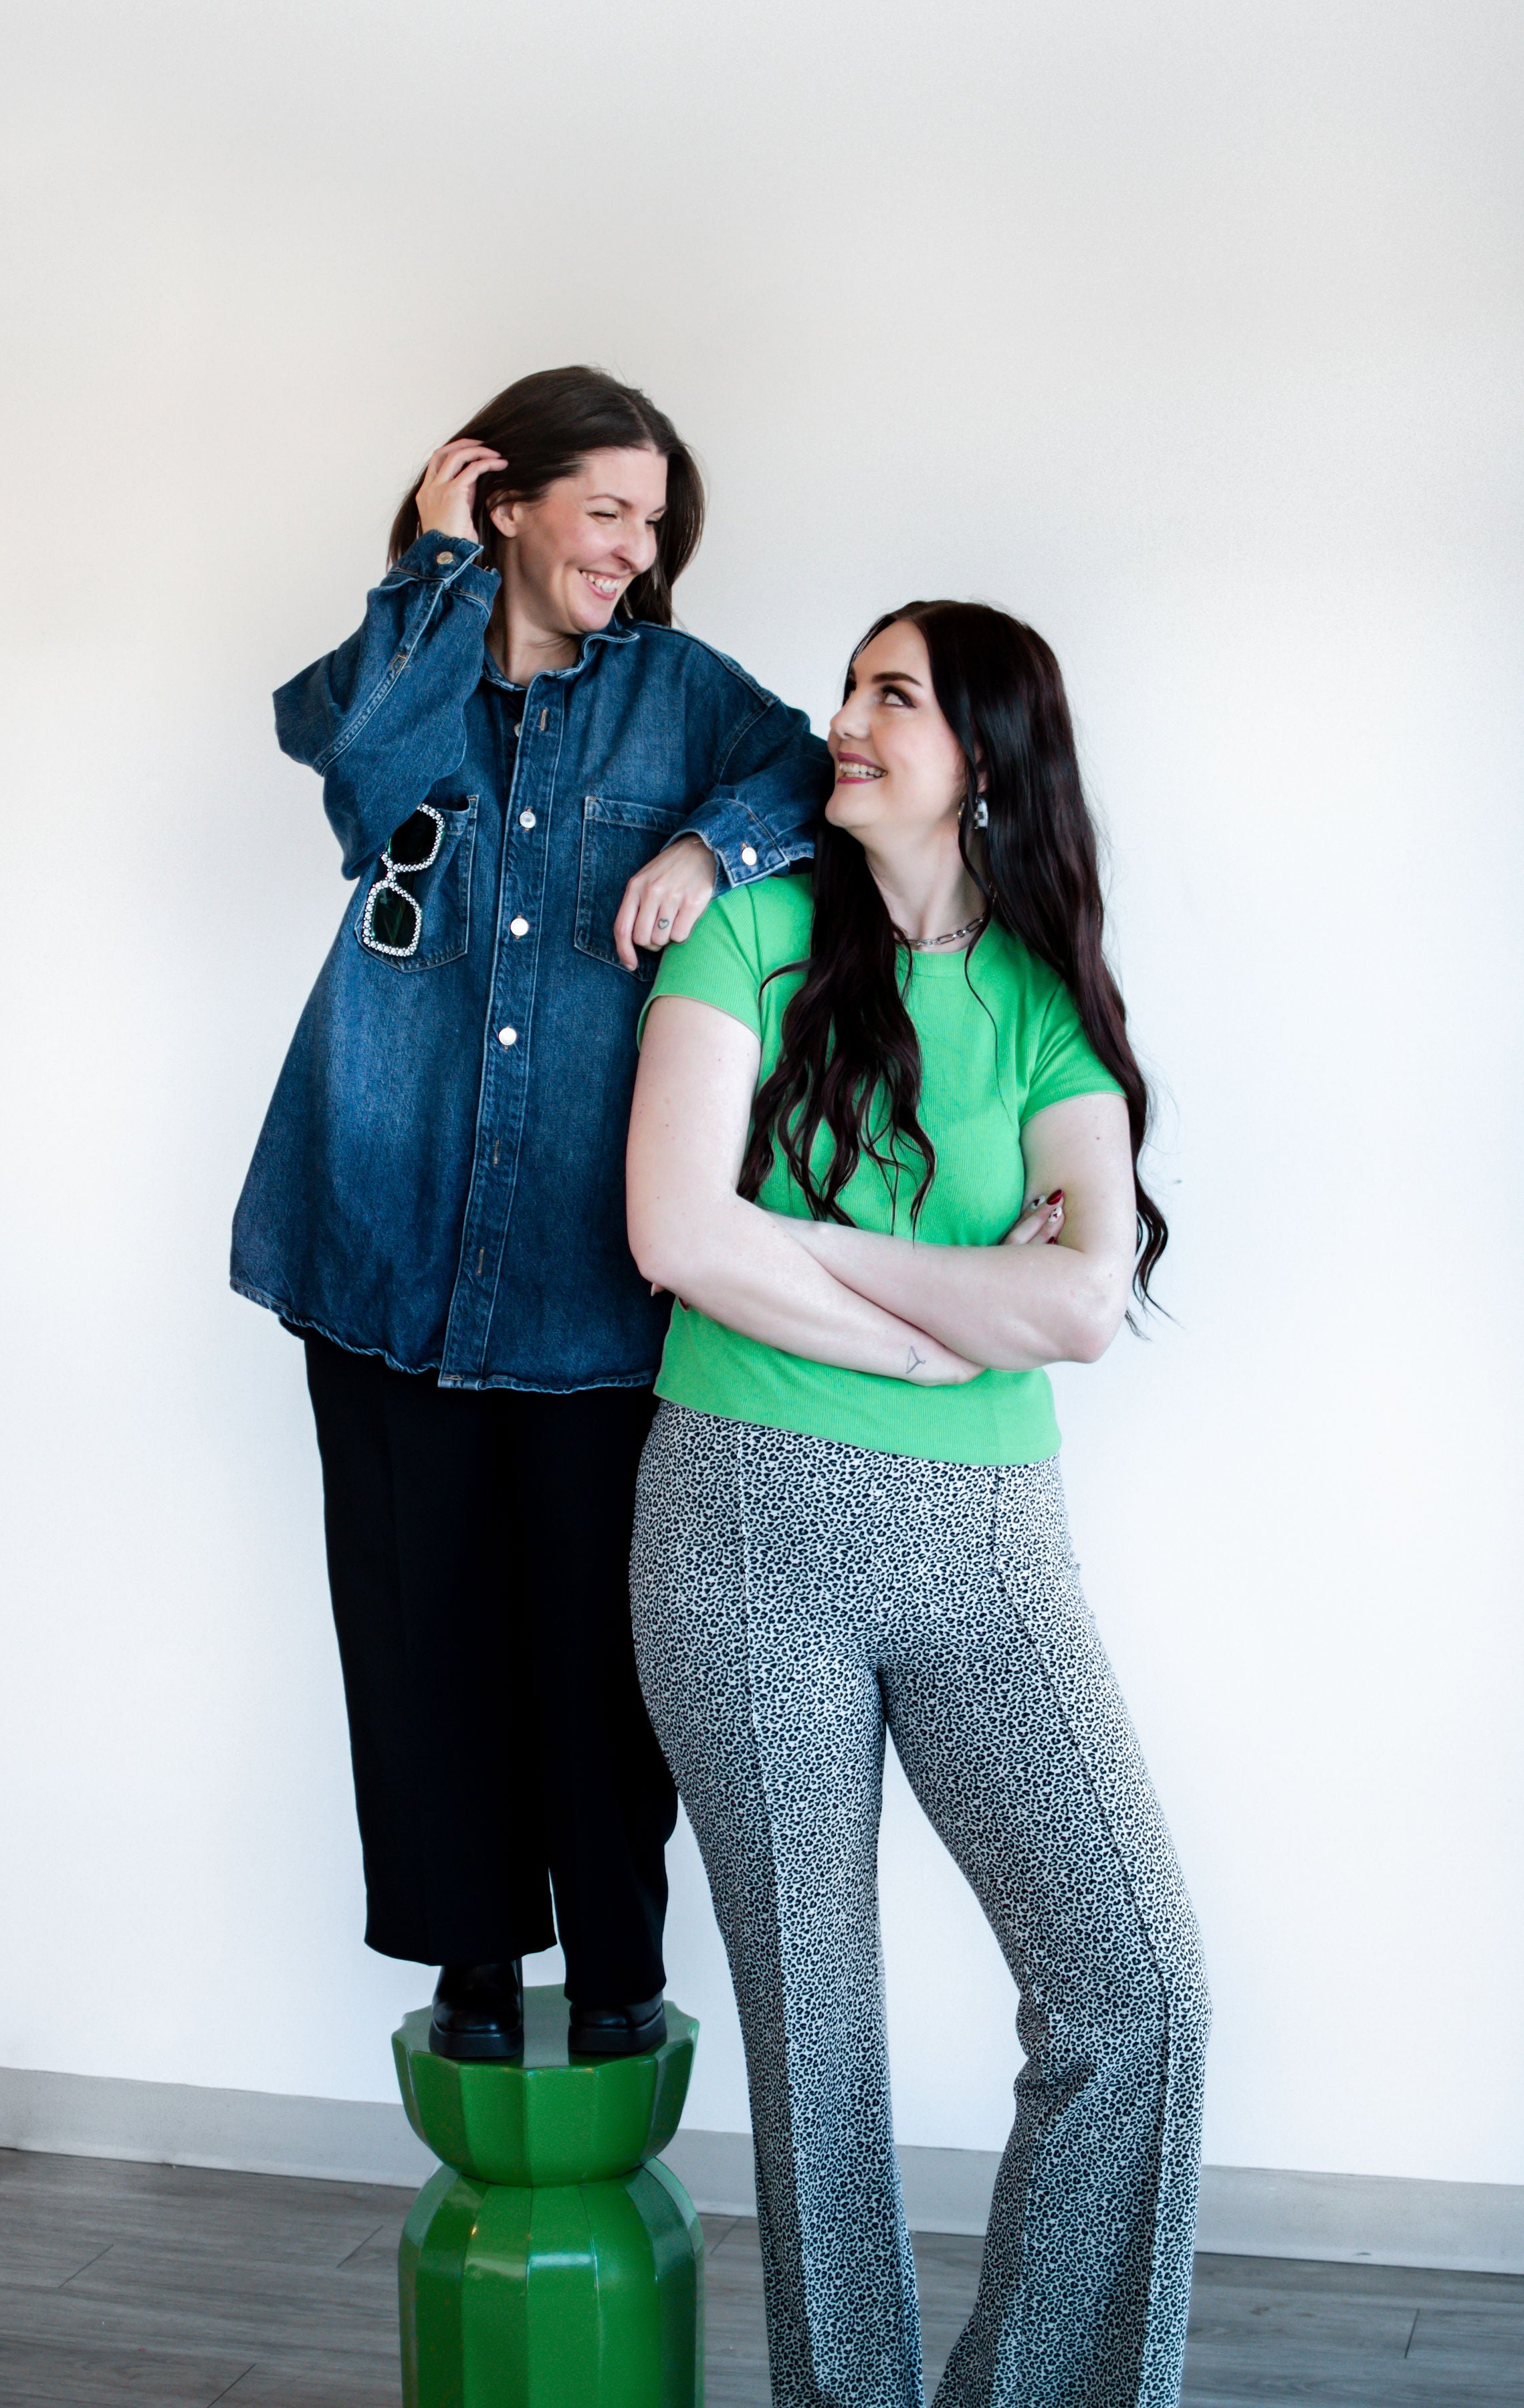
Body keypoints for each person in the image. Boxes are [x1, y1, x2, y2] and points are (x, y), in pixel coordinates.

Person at [626, 600, 1209, 2405]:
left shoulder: (1044, 1002)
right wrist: (917, 1328)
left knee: (1143, 1997)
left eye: (896, 695)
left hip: (989, 1552)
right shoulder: (747, 931)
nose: (847, 721)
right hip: (740, 1525)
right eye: (851, 688)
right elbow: (668, 1229)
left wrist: (795, 1243)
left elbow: (1081, 1304)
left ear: (986, 760)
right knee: (821, 2053)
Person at [231, 367, 829, 2061]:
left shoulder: (685, 698)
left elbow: (806, 776)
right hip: (383, 1237)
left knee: (595, 1646)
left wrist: (714, 850)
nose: (635, 551)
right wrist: (426, 572)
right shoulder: (398, 665)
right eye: (608, 512)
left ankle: (621, 1976)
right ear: (507, 504)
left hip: (584, 1270)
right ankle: (475, 1971)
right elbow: (363, 784)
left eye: (655, 522)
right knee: (424, 1630)